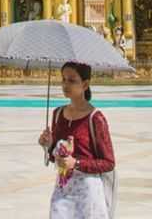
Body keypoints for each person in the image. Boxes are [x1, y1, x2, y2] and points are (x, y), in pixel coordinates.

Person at [38, 62, 116, 217]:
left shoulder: (96, 118)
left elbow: (109, 163)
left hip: (88, 192)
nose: (65, 85)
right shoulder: (58, 114)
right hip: (63, 188)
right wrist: (49, 145)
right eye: (63, 79)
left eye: (72, 80)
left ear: (85, 84)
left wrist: (77, 163)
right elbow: (58, 158)